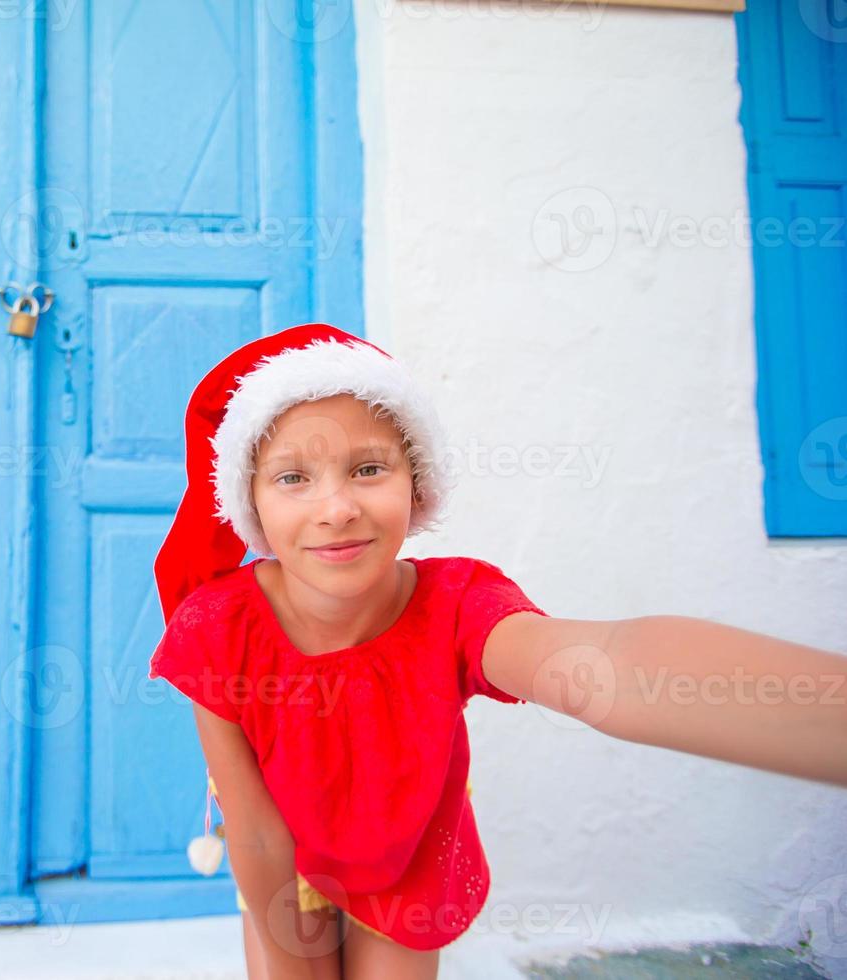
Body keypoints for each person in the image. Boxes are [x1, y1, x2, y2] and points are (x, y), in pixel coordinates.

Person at [146, 323, 847, 980]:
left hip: (405, 851)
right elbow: (258, 834)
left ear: (417, 482)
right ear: (251, 503)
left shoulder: (458, 603)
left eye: (368, 469)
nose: (336, 509)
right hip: (280, 853)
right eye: (293, 478)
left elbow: (599, 661)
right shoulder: (217, 626)